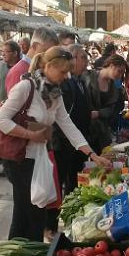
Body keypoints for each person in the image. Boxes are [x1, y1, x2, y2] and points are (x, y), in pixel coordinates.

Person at [0, 46, 109, 241]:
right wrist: (30, 134)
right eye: (62, 72)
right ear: (48, 66)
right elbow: (0, 120)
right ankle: (27, 252)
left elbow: (67, 125)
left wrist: (92, 154)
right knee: (30, 212)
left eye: (67, 73)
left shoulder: (55, 93)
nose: (65, 77)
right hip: (19, 159)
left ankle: (23, 250)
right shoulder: (26, 87)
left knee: (31, 211)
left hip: (39, 158)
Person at [53, 44, 94, 196]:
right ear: (72, 59)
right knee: (64, 181)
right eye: (83, 58)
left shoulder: (80, 81)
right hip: (65, 143)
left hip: (78, 140)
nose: (86, 62)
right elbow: (63, 118)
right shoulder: (62, 84)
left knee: (74, 179)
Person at [83, 54, 127, 151]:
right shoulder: (88, 77)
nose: (120, 76)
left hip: (103, 131)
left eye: (122, 73)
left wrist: (99, 113)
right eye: (119, 72)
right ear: (111, 65)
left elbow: (115, 107)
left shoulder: (115, 86)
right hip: (85, 129)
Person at [6, 27, 59, 92]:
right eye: (46, 51)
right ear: (34, 46)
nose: (50, 57)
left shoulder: (43, 69)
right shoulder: (17, 72)